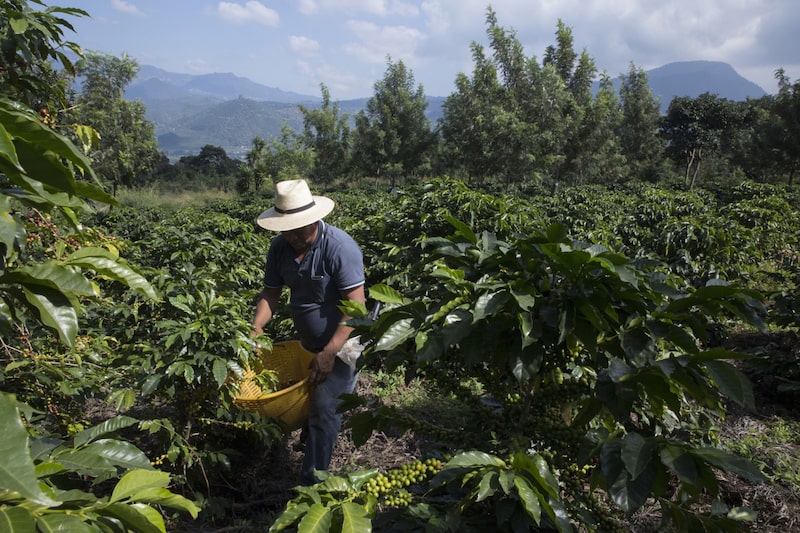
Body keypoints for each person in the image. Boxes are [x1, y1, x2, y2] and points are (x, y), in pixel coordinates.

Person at [252, 178, 365, 486]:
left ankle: (310, 486)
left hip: (343, 343)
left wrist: (330, 352)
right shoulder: (280, 248)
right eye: (285, 230)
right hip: (309, 342)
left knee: (326, 408)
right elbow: (271, 293)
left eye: (298, 229)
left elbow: (357, 307)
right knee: (311, 397)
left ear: (314, 219)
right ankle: (311, 443)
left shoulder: (340, 247)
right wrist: (257, 326)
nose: (292, 236)